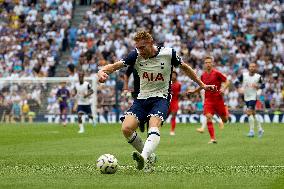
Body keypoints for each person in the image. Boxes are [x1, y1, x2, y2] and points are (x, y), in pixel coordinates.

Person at [97, 31, 216, 171]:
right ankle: (150, 156)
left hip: (161, 97)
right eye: (138, 48)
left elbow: (185, 68)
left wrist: (201, 85)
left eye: (142, 47)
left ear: (151, 43)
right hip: (142, 98)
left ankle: (144, 157)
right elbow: (114, 66)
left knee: (154, 125)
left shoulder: (168, 53)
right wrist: (101, 72)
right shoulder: (135, 55)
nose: (140, 51)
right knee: (126, 128)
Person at [187, 55, 230, 144]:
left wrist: (223, 89)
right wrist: (194, 91)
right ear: (204, 64)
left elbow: (227, 81)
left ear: (212, 63)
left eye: (209, 62)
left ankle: (226, 108)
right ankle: (213, 138)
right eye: (206, 63)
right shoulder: (203, 75)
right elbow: (202, 86)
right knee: (208, 117)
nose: (208, 64)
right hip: (208, 100)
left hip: (218, 100)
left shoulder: (217, 73)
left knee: (225, 120)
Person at [235, 63, 264, 137]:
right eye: (251, 66)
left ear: (255, 68)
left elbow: (263, 85)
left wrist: (258, 86)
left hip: (253, 97)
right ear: (248, 68)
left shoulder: (258, 77)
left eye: (253, 67)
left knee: (248, 112)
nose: (252, 68)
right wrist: (238, 89)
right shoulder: (244, 75)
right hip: (246, 97)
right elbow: (236, 82)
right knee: (253, 114)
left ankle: (251, 131)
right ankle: (260, 129)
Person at [167, 71, 181, 136]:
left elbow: (179, 94)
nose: (173, 76)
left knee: (173, 116)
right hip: (167, 102)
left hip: (174, 102)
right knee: (163, 117)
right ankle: (157, 128)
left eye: (174, 75)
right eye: (172, 75)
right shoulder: (167, 83)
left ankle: (172, 131)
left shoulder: (179, 84)